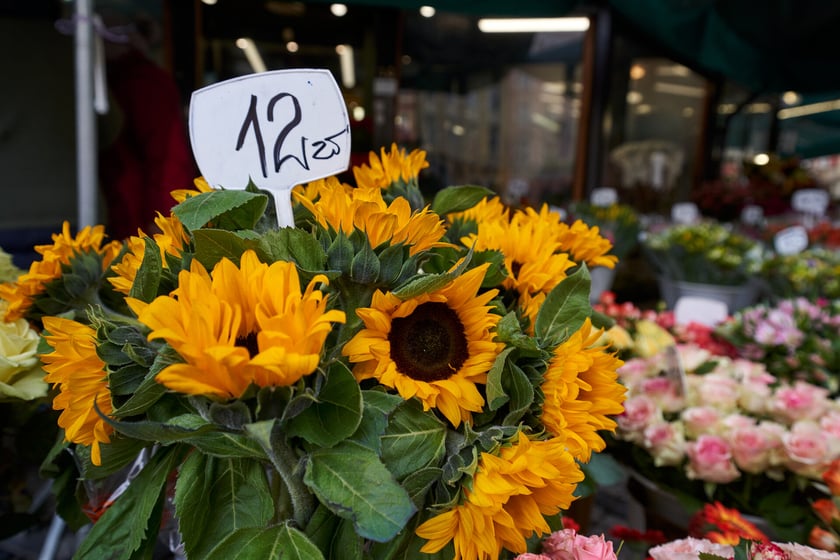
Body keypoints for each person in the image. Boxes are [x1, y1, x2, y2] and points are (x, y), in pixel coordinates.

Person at [98, 10, 196, 240]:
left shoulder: (143, 81)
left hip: (139, 216)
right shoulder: (125, 78)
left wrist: (163, 220)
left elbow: (167, 155)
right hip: (130, 210)